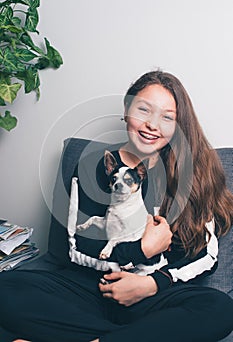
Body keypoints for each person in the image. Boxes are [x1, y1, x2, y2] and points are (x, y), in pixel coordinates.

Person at [1, 70, 233, 342]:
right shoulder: (91, 164)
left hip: (155, 295)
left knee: (219, 308)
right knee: (5, 289)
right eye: (143, 110)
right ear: (126, 109)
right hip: (90, 288)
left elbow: (207, 257)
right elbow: (77, 248)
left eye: (167, 117)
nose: (151, 125)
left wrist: (152, 283)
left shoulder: (195, 174)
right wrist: (141, 249)